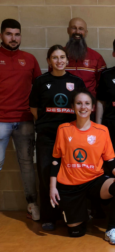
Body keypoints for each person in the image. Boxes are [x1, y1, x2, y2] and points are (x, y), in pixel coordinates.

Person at [49, 88, 115, 245]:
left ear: (93, 107)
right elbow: (55, 160)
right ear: (72, 107)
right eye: (79, 103)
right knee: (75, 233)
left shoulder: (102, 130)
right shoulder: (63, 129)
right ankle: (81, 215)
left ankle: (111, 229)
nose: (83, 107)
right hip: (70, 186)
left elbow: (110, 159)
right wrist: (53, 187)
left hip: (94, 181)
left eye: (87, 103)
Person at [29, 45, 85, 230]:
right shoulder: (41, 81)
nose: (59, 60)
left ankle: (72, 213)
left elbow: (83, 106)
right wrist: (47, 123)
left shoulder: (76, 81)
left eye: (62, 57)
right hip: (47, 137)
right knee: (46, 175)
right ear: (49, 61)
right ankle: (49, 217)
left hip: (70, 136)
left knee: (71, 174)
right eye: (55, 57)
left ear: (67, 60)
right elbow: (34, 109)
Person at [0, 19, 41, 220]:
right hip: (0, 121)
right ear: (1, 35)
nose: (13, 38)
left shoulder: (30, 59)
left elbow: (40, 89)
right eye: (9, 34)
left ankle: (32, 204)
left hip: (25, 120)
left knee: (26, 164)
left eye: (17, 34)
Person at [63, 18, 106, 98]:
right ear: (68, 30)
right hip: (64, 106)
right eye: (73, 28)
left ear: (86, 32)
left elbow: (102, 87)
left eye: (81, 29)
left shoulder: (96, 57)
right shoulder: (58, 55)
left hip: (87, 107)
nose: (77, 32)